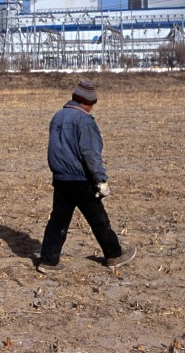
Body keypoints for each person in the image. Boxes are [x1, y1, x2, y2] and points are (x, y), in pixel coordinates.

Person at [36, 79, 136, 272]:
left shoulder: (57, 116)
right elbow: (90, 153)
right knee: (98, 219)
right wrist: (100, 179)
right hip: (80, 179)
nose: (93, 107)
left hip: (60, 178)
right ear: (86, 102)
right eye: (93, 103)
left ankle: (48, 261)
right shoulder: (84, 120)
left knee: (58, 220)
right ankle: (114, 255)